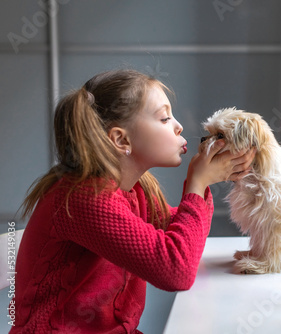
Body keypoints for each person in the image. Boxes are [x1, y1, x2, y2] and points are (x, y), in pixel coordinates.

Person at [10, 69, 256, 333]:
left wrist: (205, 181)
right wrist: (197, 184)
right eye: (164, 118)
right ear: (121, 139)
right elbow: (176, 270)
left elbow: (180, 234)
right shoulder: (83, 198)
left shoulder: (134, 189)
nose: (178, 125)